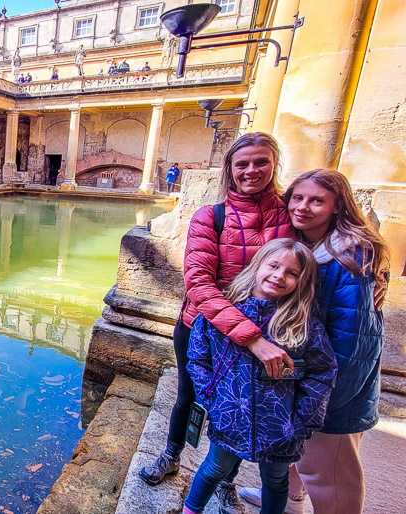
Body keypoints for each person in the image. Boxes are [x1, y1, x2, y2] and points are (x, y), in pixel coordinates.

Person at [139, 133, 296, 514]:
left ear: (275, 165)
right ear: (229, 169)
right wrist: (251, 337)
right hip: (202, 328)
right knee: (186, 395)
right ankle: (171, 455)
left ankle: (226, 481)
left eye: (261, 162)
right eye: (242, 164)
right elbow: (198, 284)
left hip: (266, 331)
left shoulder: (291, 218)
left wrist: (373, 271)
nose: (251, 171)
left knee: (243, 408)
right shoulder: (211, 217)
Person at [239, 169, 390, 514]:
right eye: (297, 198)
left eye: (317, 200)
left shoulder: (350, 257)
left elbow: (355, 340)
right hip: (312, 376)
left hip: (337, 389)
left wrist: (325, 398)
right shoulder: (312, 246)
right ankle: (291, 501)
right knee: (300, 455)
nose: (303, 207)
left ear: (338, 207)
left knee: (332, 474)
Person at [184, 239, 338, 514]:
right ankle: (191, 510)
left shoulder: (302, 324)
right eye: (274, 265)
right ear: (258, 265)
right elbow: (198, 354)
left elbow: (322, 372)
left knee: (276, 481)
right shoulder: (225, 310)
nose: (279, 275)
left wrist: (302, 421)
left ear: (302, 282)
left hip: (281, 425)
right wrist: (209, 395)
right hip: (229, 414)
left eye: (292, 273)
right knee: (214, 467)